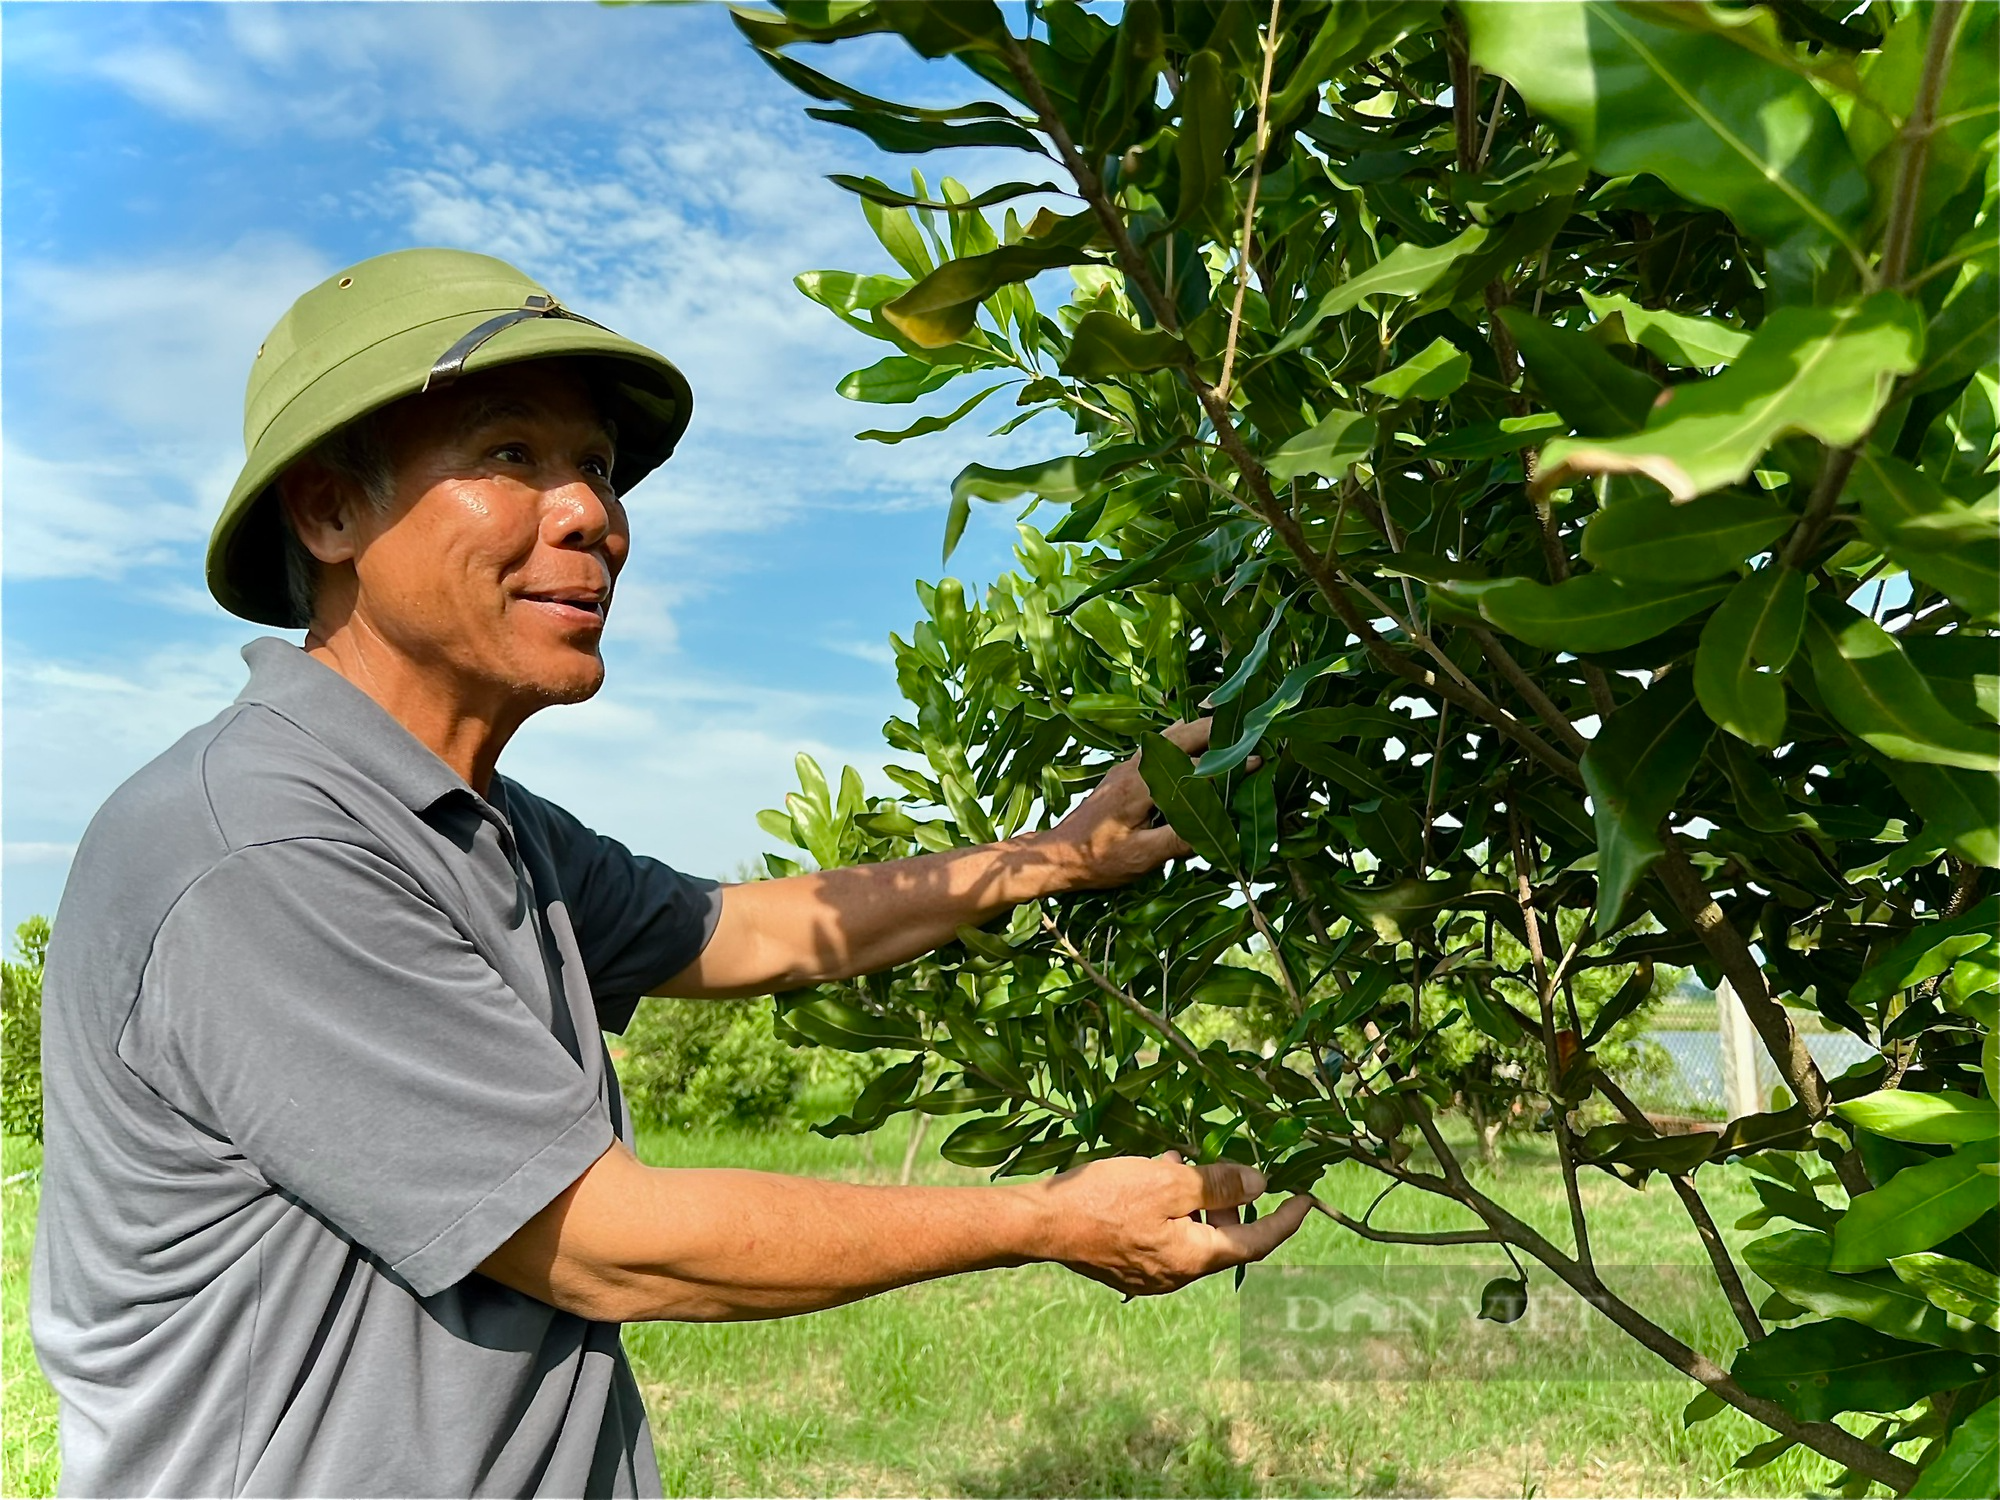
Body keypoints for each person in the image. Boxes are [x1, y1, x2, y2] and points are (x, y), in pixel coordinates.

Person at [31, 248, 1311, 1498]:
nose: (592, 511)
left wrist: (1052, 859)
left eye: (592, 465)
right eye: (508, 455)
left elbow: (731, 930)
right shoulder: (264, 846)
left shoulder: (476, 820)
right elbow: (608, 1245)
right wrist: (1046, 1220)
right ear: (329, 512)